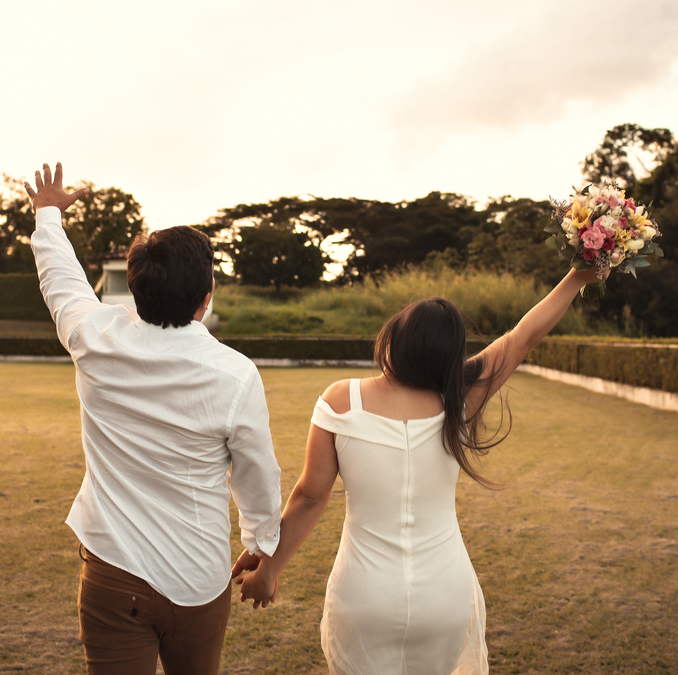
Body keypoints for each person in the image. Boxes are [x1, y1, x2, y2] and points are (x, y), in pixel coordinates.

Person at [234, 267, 606, 675]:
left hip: (364, 595)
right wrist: (576, 277)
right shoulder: (462, 399)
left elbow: (309, 498)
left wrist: (268, 569)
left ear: (394, 339)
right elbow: (522, 337)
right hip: (445, 594)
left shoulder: (342, 399)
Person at [26, 162, 283, 675]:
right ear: (206, 300)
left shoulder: (95, 338)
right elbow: (257, 473)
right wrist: (259, 542)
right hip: (197, 574)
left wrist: (48, 213)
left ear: (134, 292)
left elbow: (61, 280)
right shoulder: (234, 374)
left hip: (111, 571)